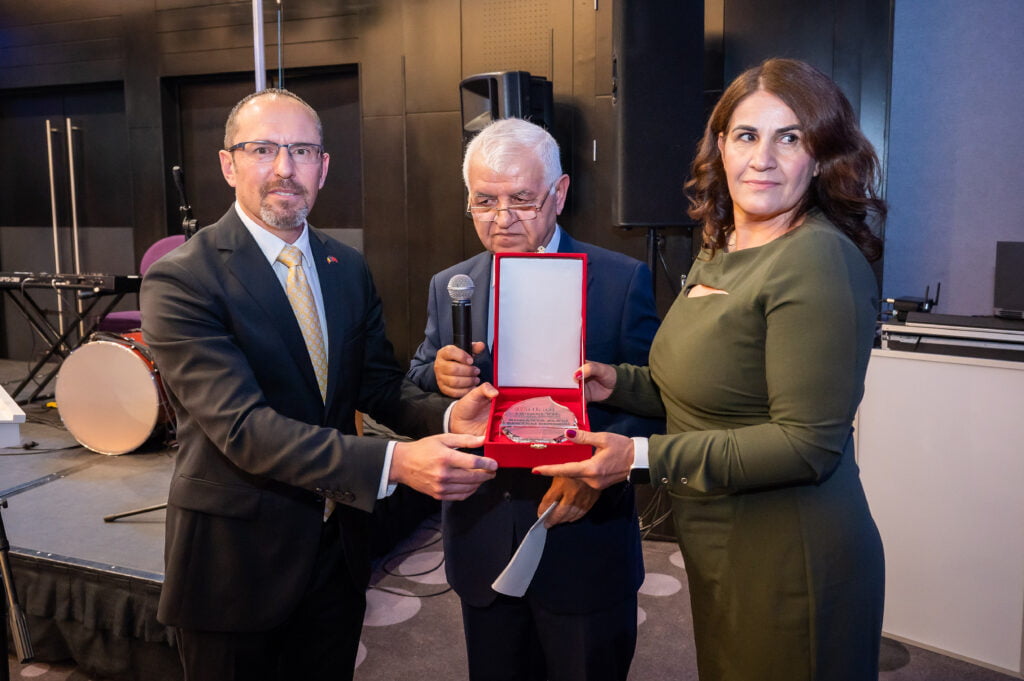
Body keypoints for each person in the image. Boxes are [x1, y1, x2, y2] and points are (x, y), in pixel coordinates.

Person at [535, 58, 887, 681]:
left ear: (820, 157)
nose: (763, 159)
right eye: (747, 135)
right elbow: (708, 384)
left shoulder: (818, 260)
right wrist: (619, 381)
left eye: (790, 137)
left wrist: (640, 456)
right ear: (721, 146)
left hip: (788, 551)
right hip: (718, 535)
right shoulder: (722, 243)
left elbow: (806, 445)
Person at [140, 88, 499, 681]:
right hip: (236, 564)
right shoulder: (183, 279)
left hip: (337, 552)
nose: (285, 167)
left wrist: (445, 417)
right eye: (263, 149)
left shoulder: (346, 266)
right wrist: (396, 462)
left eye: (302, 151)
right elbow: (244, 429)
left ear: (324, 167)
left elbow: (378, 385)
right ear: (228, 164)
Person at [407, 117, 662, 681]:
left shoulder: (620, 281)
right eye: (484, 202)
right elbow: (418, 375)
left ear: (559, 193)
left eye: (521, 200)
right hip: (482, 532)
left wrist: (601, 470)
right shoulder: (452, 284)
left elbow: (657, 399)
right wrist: (439, 376)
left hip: (583, 537)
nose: (501, 219)